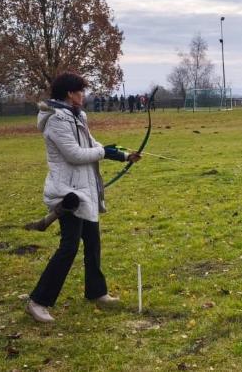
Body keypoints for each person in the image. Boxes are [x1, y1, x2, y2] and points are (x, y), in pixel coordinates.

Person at [27, 72, 141, 323]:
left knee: (93, 242)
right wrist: (102, 152)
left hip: (85, 189)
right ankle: (38, 301)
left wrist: (122, 155)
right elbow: (75, 154)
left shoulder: (78, 116)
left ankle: (96, 292)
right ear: (70, 93)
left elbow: (92, 144)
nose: (84, 95)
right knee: (69, 247)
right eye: (81, 91)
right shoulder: (56, 120)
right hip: (68, 192)